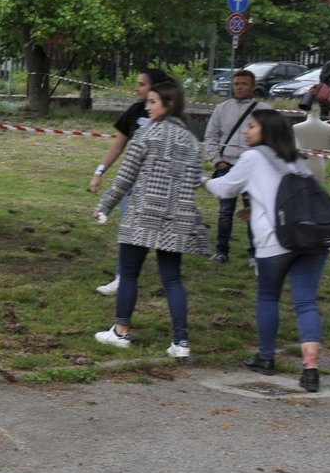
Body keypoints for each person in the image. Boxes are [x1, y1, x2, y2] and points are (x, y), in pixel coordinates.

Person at [204, 109, 329, 391]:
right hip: (312, 238)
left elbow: (226, 189)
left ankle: (266, 357)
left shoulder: (254, 156)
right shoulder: (296, 158)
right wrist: (255, 207)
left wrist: (203, 181)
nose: (246, 131)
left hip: (276, 241)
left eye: (251, 126)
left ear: (266, 131)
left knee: (268, 297)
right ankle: (310, 369)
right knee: (306, 302)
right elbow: (289, 196)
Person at [93, 77, 212, 357]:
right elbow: (195, 179)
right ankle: (180, 342)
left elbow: (126, 177)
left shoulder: (146, 135)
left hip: (143, 215)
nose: (147, 107)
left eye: (152, 102)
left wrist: (105, 206)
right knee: (172, 279)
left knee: (130, 274)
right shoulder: (193, 142)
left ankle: (121, 332)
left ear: (169, 105)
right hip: (177, 218)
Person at [88, 69, 161, 294]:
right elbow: (117, 145)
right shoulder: (134, 111)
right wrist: (99, 171)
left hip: (159, 186)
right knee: (128, 230)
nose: (136, 88)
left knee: (159, 235)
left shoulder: (171, 117)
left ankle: (168, 279)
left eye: (141, 84)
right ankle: (123, 277)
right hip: (133, 183)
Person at [201, 68, 261, 263]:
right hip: (226, 164)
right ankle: (221, 251)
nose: (239, 87)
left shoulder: (263, 109)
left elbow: (271, 138)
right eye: (236, 84)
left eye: (243, 84)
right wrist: (217, 160)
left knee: (253, 210)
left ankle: (255, 254)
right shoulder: (222, 108)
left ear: (253, 86)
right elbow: (210, 136)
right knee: (225, 212)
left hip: (251, 168)